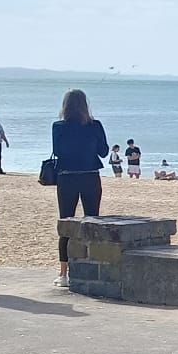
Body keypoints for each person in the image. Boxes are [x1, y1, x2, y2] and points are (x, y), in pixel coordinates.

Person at [50, 89, 111, 288]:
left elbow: (58, 151)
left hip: (66, 176)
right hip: (90, 175)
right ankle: (92, 268)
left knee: (66, 222)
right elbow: (103, 151)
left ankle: (63, 273)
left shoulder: (58, 126)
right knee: (92, 220)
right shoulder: (95, 125)